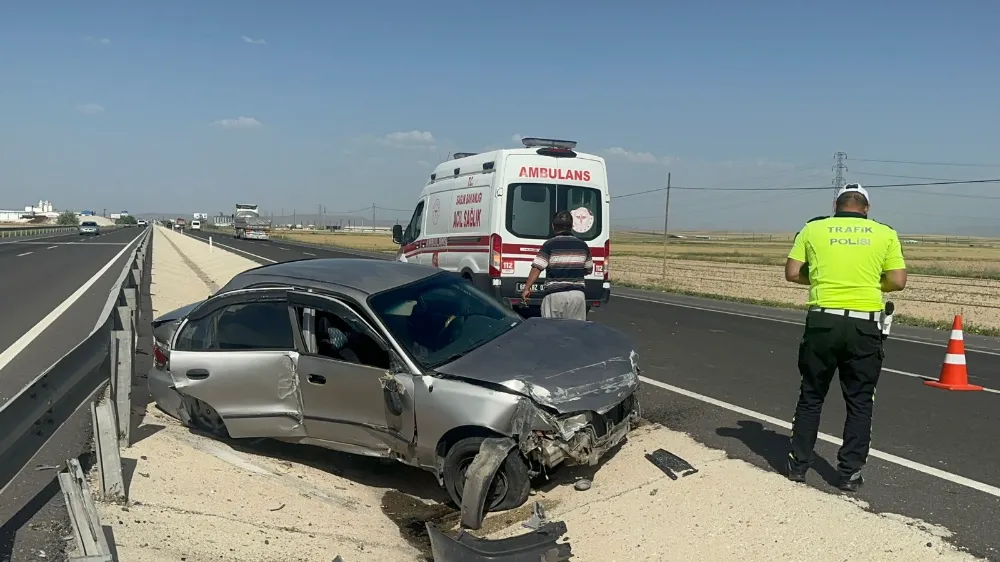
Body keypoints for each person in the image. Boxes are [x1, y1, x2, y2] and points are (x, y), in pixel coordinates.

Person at [783, 183, 907, 492]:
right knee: (860, 401)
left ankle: (798, 465)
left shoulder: (813, 229)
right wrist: (873, 284)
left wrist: (822, 278)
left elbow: (791, 271)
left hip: (823, 322)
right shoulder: (884, 233)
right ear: (866, 208)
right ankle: (849, 473)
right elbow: (898, 280)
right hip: (864, 326)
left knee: (811, 396)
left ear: (835, 205)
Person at [520, 210, 593, 320]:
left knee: (552, 331)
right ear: (572, 226)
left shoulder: (550, 244)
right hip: (577, 296)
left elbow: (537, 267)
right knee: (576, 332)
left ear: (553, 226)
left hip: (555, 295)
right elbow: (588, 269)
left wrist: (527, 288)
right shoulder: (582, 245)